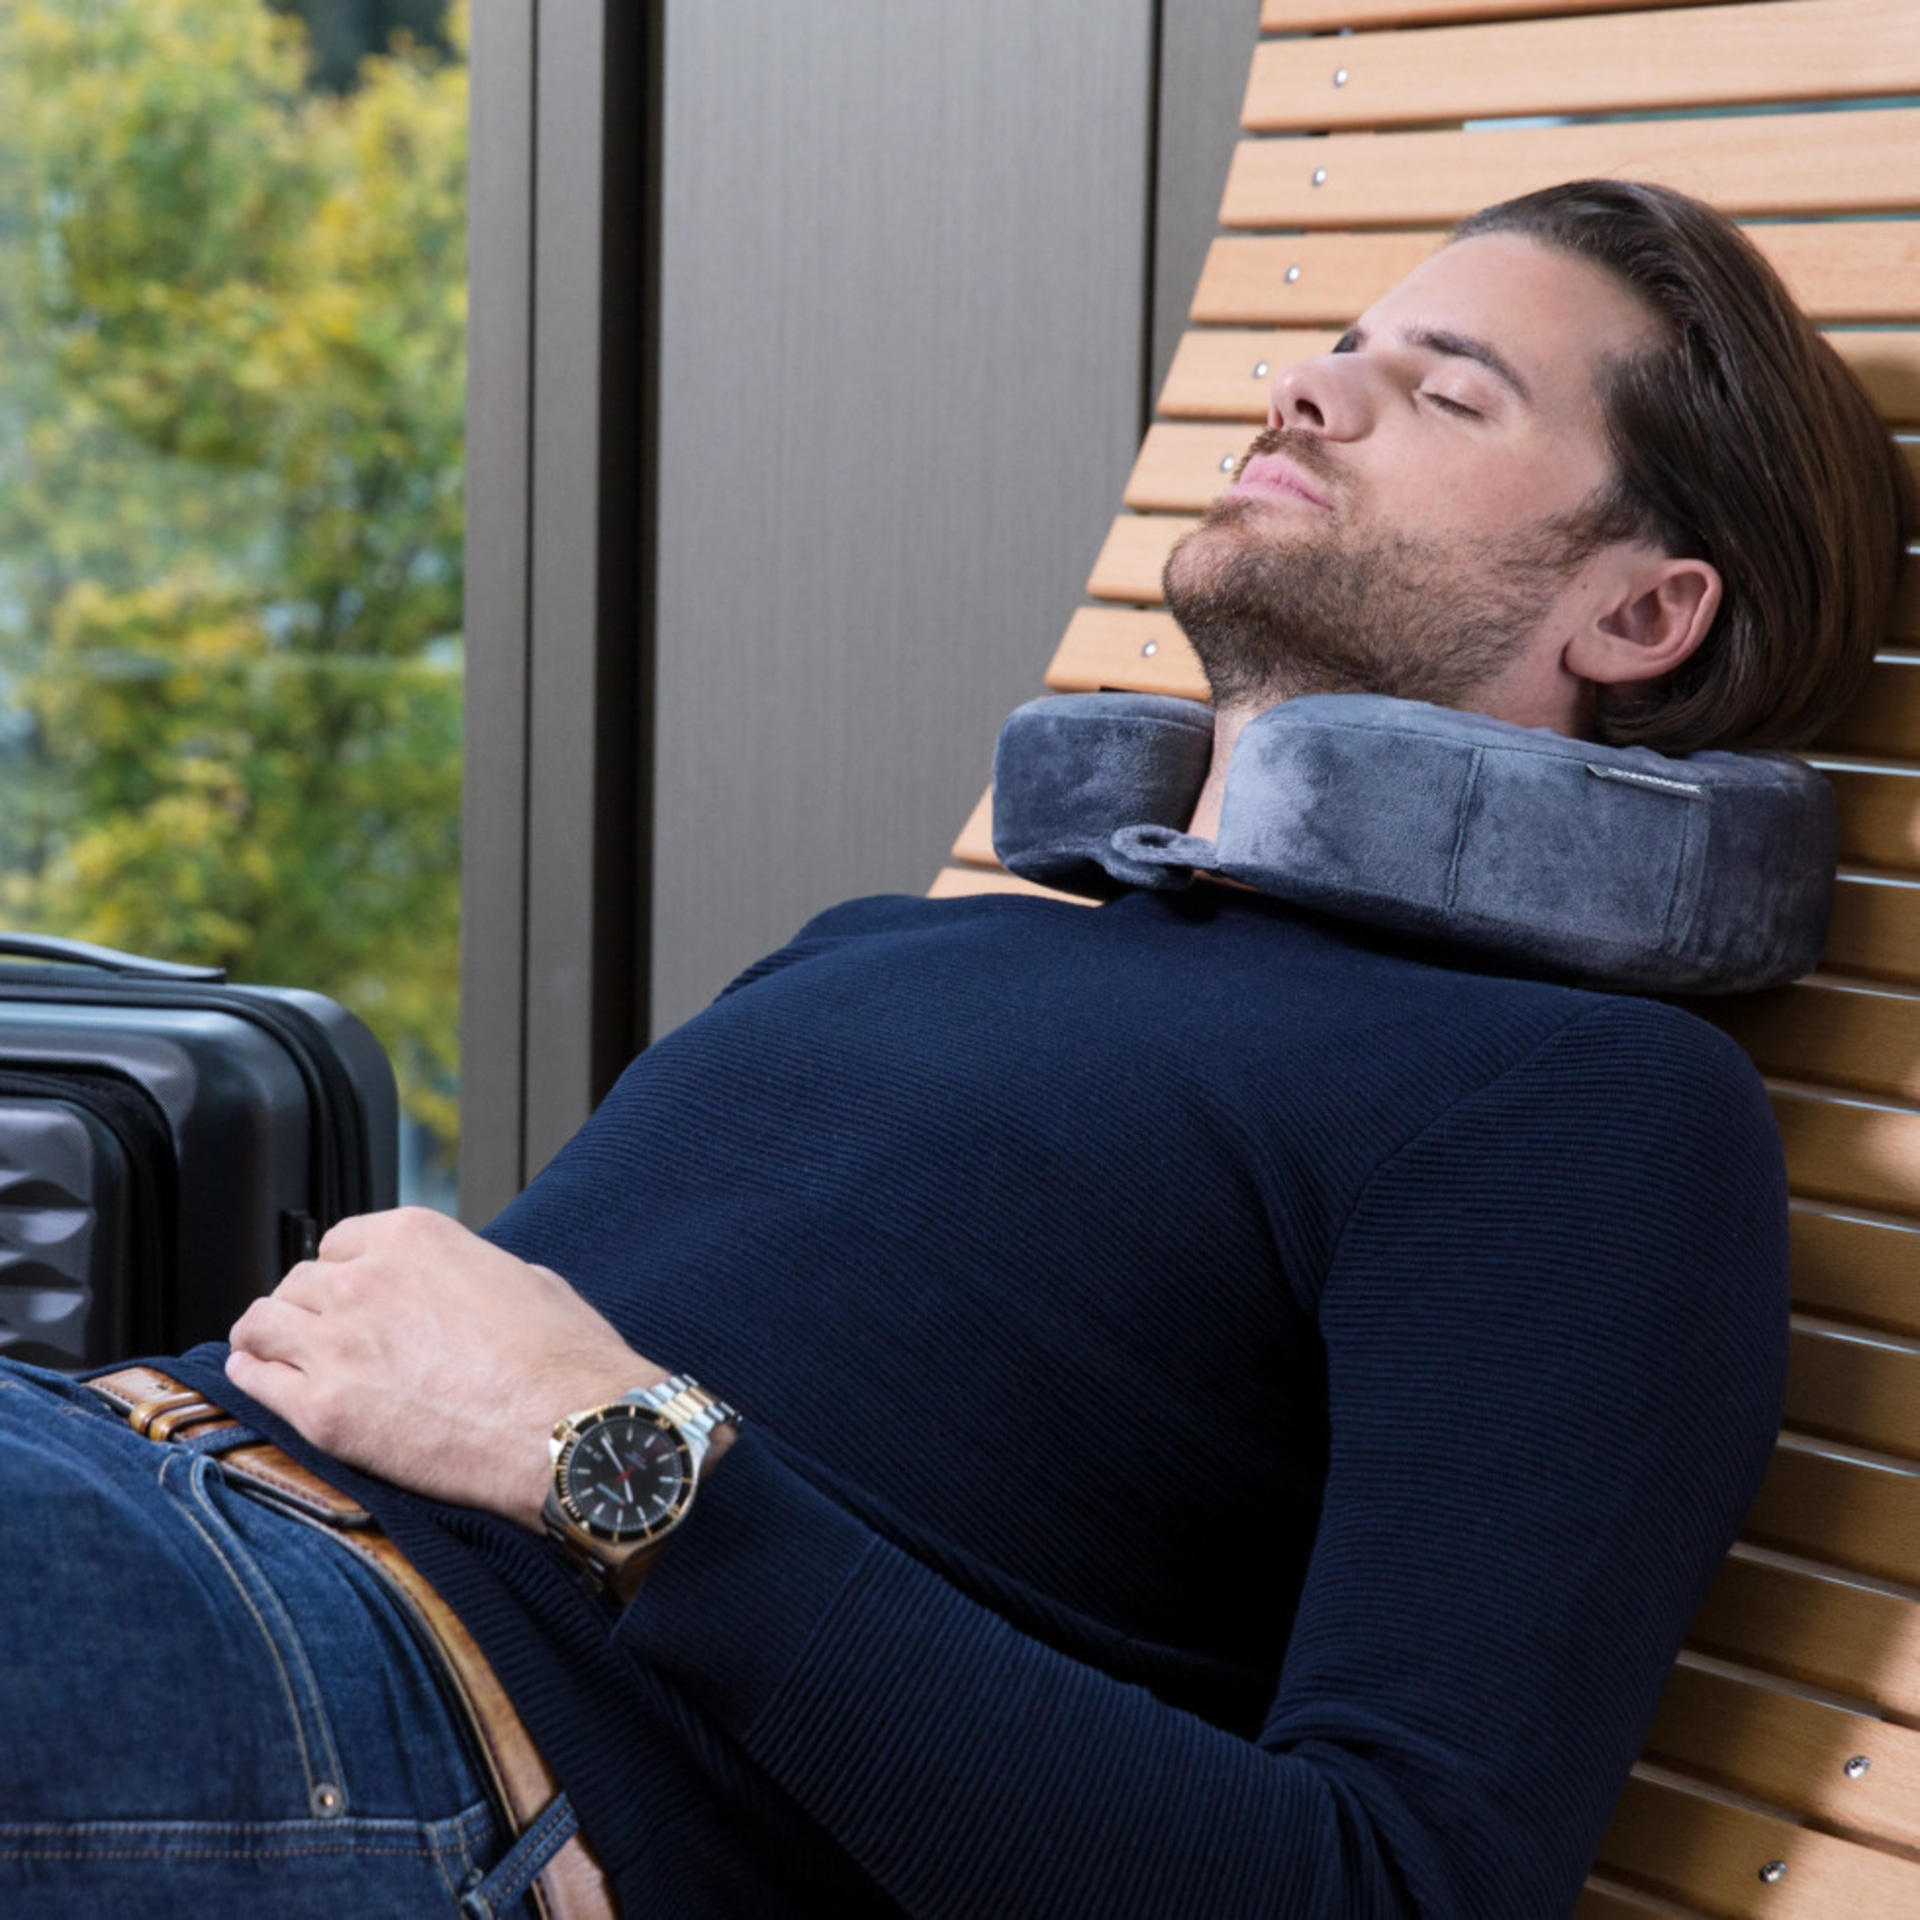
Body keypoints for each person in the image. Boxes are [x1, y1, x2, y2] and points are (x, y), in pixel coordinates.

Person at [0, 180, 1910, 1919]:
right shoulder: (920, 949)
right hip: (129, 1490)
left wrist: (612, 1456)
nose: (1309, 395)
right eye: (1340, 350)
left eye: (1449, 391)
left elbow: (1391, 1891)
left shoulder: (1579, 1104)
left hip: (395, 1720)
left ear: (1642, 611)